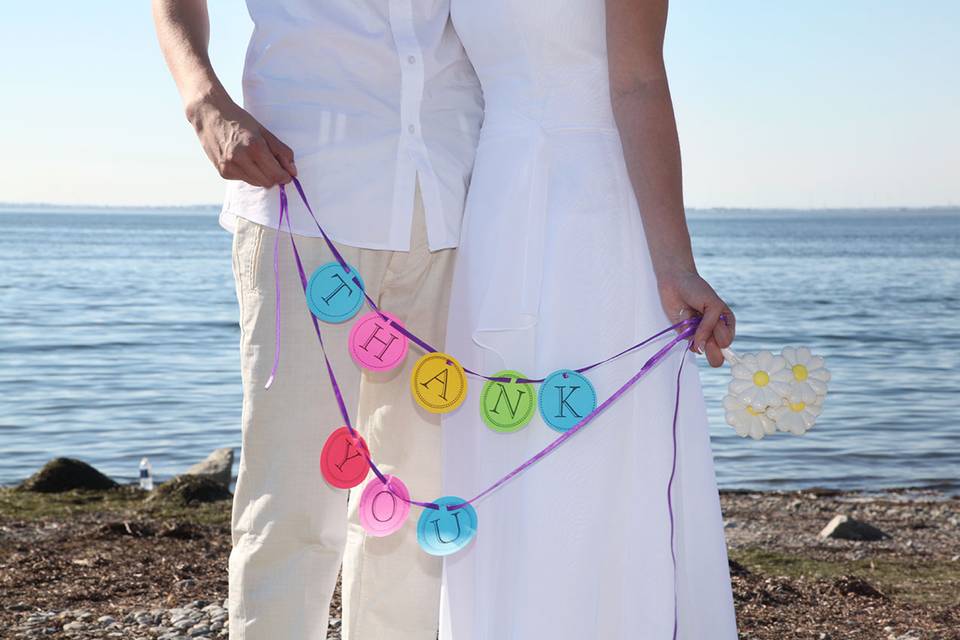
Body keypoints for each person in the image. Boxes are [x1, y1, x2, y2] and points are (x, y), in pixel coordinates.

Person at [152, 1, 482, 638]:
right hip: (302, 200)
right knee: (293, 491)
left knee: (416, 495)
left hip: (450, 200)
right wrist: (203, 100)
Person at [438, 0, 738, 637]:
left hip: (593, 213)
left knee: (596, 446)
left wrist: (675, 263)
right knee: (503, 444)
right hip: (492, 212)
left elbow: (639, 82)